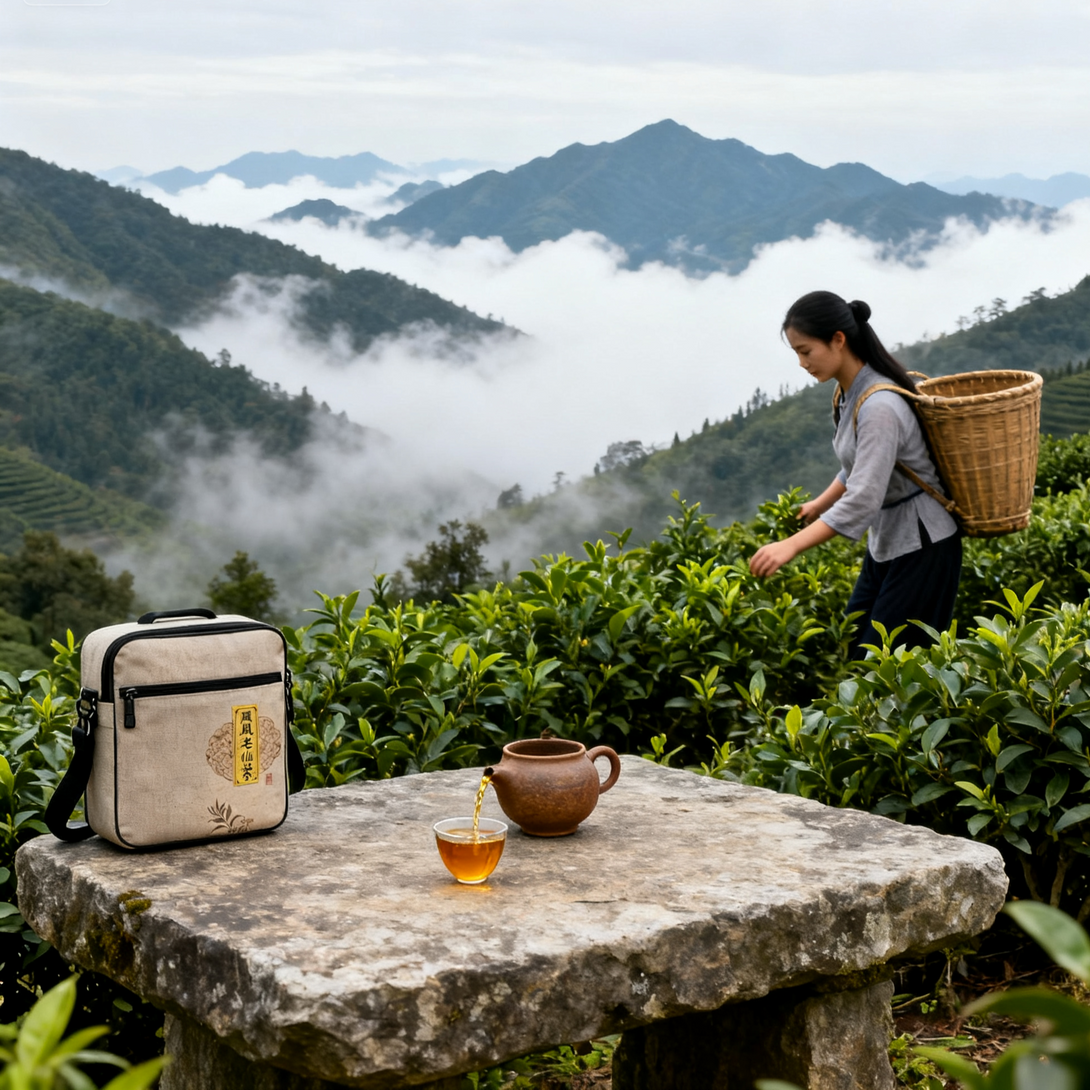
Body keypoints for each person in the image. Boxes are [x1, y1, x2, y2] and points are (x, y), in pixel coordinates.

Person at [749, 291, 961, 656]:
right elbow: (859, 465)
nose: (802, 363)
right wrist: (819, 503)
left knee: (889, 665)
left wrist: (790, 546)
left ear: (838, 340)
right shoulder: (849, 394)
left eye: (805, 351)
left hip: (924, 543)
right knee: (856, 645)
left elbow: (863, 498)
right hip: (890, 541)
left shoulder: (879, 405)